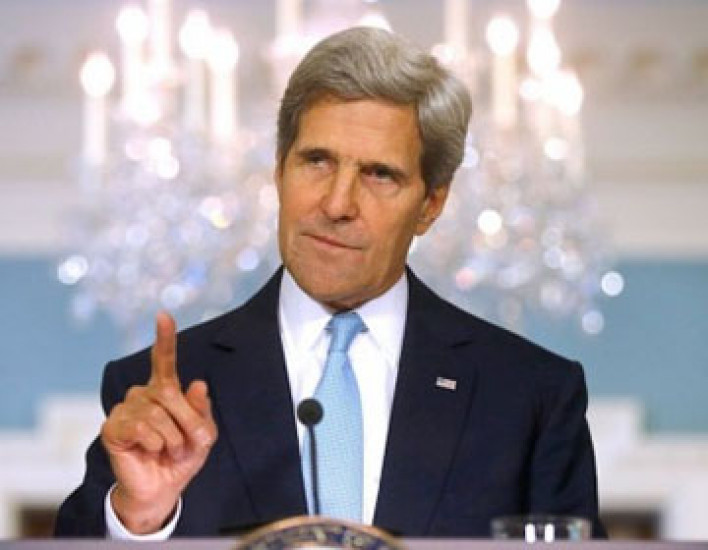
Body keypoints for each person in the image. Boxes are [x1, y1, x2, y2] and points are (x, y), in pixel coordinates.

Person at [55, 27, 605, 539]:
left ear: (431, 203)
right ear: (279, 170)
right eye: (317, 161)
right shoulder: (162, 397)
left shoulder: (529, 395)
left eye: (379, 174)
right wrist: (139, 520)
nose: (338, 204)